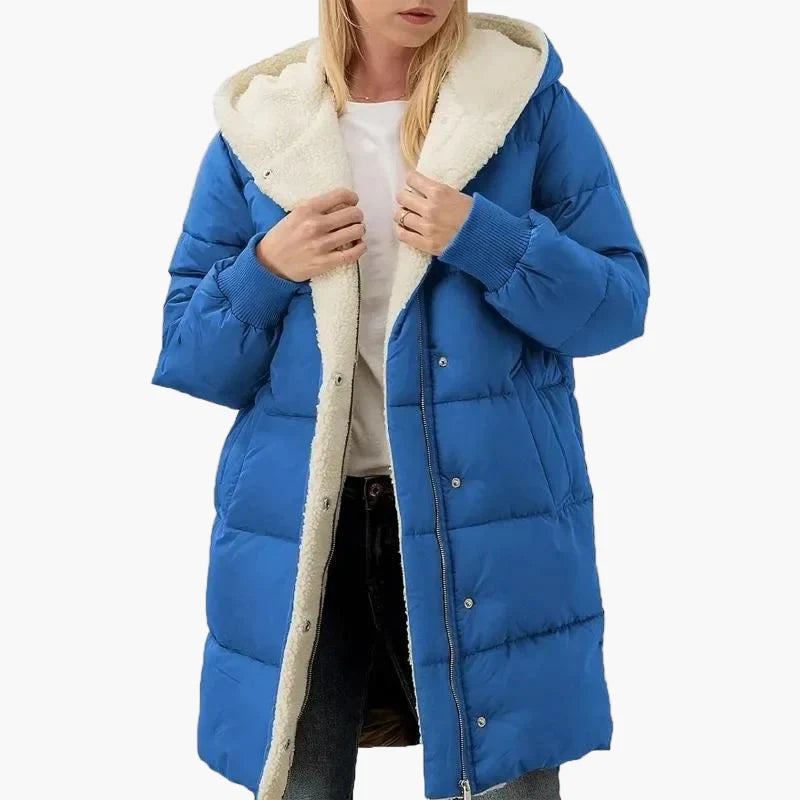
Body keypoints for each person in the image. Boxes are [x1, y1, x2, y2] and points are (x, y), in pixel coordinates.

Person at [151, 2, 649, 799]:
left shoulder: (522, 108)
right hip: (307, 526)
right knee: (301, 783)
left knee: (504, 783)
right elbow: (190, 356)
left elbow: (616, 307)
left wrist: (487, 239)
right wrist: (265, 268)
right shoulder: (264, 130)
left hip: (489, 516)